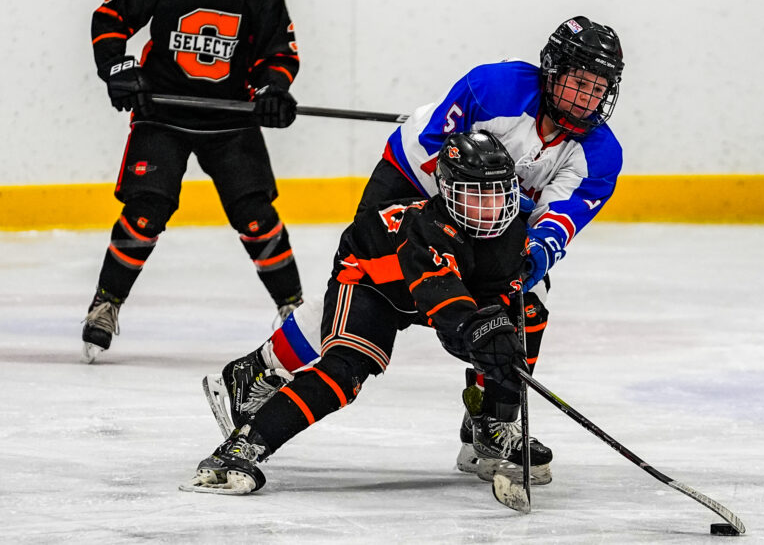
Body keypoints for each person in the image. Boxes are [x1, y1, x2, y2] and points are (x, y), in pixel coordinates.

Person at [209, 15, 624, 483]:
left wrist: (524, 254)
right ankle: (261, 368)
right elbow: (432, 148)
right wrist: (455, 225)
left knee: (529, 299)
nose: (586, 98)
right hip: (412, 183)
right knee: (376, 283)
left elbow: (556, 221)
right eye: (578, 82)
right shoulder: (495, 87)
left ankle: (491, 425)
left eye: (598, 88)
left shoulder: (601, 154)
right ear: (552, 71)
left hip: (489, 218)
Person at [184, 131, 533, 494]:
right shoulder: (429, 229)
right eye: (475, 196)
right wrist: (481, 330)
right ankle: (243, 446)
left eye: (497, 193)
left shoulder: (511, 235)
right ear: (447, 191)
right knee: (345, 371)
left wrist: (503, 346)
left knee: (526, 317)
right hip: (369, 278)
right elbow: (441, 295)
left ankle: (494, 427)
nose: (490, 207)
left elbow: (495, 292)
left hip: (421, 291)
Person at [81, 0, 303, 363]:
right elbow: (110, 19)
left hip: (231, 123)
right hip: (162, 115)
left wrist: (273, 90)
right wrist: (117, 69)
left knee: (257, 218)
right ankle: (106, 304)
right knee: (145, 212)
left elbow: (278, 53)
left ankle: (294, 309)